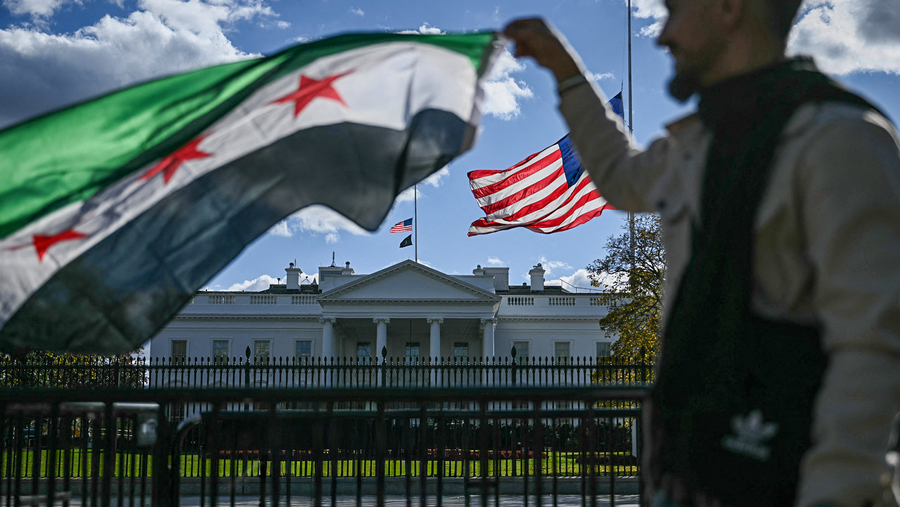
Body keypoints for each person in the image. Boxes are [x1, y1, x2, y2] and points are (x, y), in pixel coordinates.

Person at [503, 1, 900, 506]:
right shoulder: (699, 145)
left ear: (728, 8)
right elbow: (622, 179)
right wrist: (566, 72)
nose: (662, 35)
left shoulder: (841, 140)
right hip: (688, 478)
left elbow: (873, 347)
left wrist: (833, 494)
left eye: (674, 11)